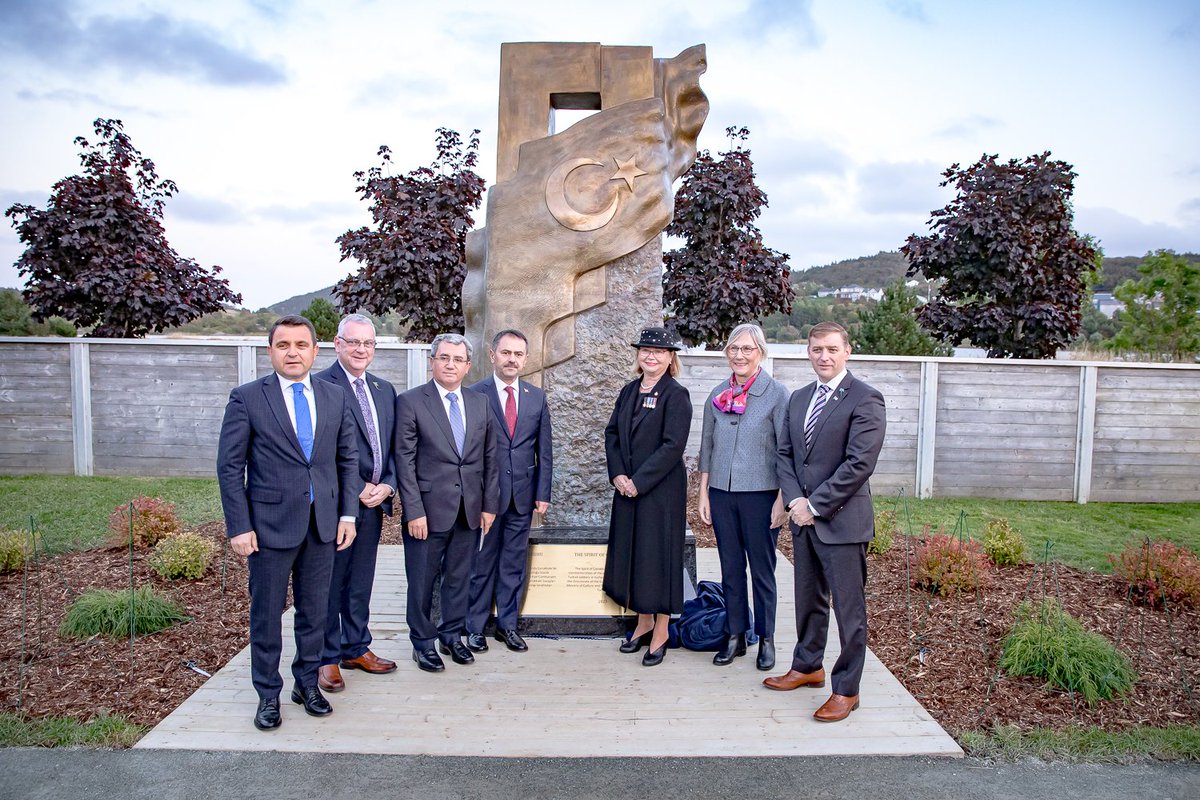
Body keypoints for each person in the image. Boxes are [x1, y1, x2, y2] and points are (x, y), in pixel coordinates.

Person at [216, 315, 361, 731]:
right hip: (268, 528)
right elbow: (230, 467)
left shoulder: (335, 397)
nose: (293, 352)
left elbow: (347, 459)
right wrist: (239, 527)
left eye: (301, 345)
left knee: (315, 612)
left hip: (323, 525)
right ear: (271, 351)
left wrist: (347, 513)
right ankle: (267, 695)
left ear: (316, 351)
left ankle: (306, 684)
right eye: (284, 345)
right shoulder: (247, 398)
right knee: (266, 617)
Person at [767, 321, 886, 722]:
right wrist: (796, 502)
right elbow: (785, 454)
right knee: (808, 599)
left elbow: (859, 464)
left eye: (832, 349)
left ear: (847, 351)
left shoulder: (866, 399)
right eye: (817, 349)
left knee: (849, 611)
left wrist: (814, 506)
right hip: (803, 519)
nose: (824, 356)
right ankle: (807, 666)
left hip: (841, 522)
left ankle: (847, 689)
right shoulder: (799, 398)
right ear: (808, 352)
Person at [394, 332, 499, 672]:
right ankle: (422, 643)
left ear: (468, 366)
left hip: (468, 510)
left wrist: (488, 505)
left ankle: (451, 634)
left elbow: (490, 458)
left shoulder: (480, 402)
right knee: (422, 580)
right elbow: (404, 462)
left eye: (457, 359)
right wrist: (414, 510)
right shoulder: (411, 402)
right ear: (432, 361)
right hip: (427, 512)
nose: (450, 364)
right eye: (444, 358)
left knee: (459, 576)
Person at [312, 314, 399, 693]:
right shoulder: (319, 386)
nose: (361, 349)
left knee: (361, 581)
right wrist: (358, 484)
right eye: (354, 342)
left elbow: (395, 447)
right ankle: (326, 657)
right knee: (331, 582)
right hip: (337, 504)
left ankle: (355, 646)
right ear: (338, 343)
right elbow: (317, 449)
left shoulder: (384, 389)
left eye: (368, 343)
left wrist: (389, 485)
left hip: (374, 504)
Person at [697, 323, 789, 671]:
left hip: (762, 495)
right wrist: (703, 492)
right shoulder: (717, 394)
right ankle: (736, 635)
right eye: (734, 349)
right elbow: (707, 446)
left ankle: (766, 639)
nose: (739, 355)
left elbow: (787, 451)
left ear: (760, 353)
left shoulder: (777, 394)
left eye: (747, 349)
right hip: (722, 493)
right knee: (730, 568)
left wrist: (783, 499)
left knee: (762, 571)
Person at [603, 327, 692, 667]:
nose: (650, 356)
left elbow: (673, 446)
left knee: (658, 558)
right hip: (626, 489)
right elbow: (612, 434)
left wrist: (638, 481)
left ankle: (662, 630)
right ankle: (642, 621)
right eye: (645, 350)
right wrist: (618, 475)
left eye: (659, 351)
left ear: (671, 358)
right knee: (634, 557)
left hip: (659, 493)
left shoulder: (676, 395)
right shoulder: (628, 392)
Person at [465, 329, 552, 653]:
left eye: (518, 354)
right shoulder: (475, 394)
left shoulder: (535, 397)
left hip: (522, 496)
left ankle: (508, 626)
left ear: (526, 359)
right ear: (493, 355)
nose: (511, 359)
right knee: (482, 562)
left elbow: (544, 450)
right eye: (506, 353)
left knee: (513, 563)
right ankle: (474, 626)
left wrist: (542, 492)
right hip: (485, 497)